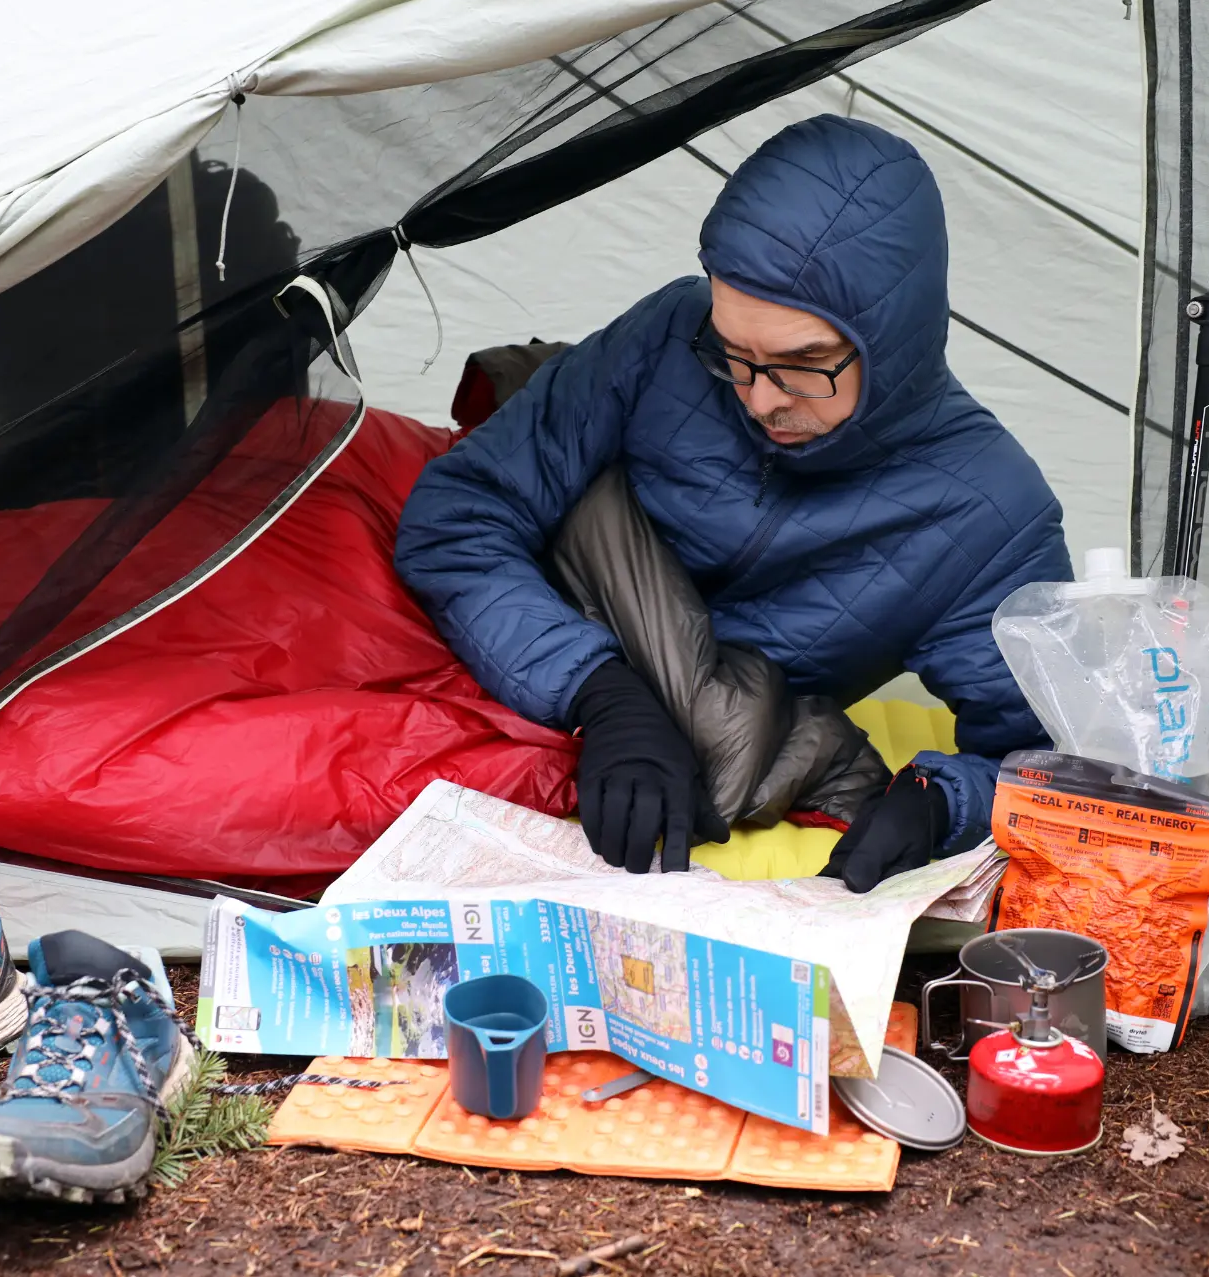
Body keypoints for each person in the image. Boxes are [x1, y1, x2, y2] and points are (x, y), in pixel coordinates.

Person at [393, 115, 1071, 888]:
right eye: (735, 356)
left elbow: (1051, 764)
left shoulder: (989, 514)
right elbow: (459, 514)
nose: (759, 399)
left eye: (802, 363)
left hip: (723, 736)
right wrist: (600, 689)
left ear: (899, 336)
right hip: (526, 653)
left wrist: (938, 802)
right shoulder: (667, 338)